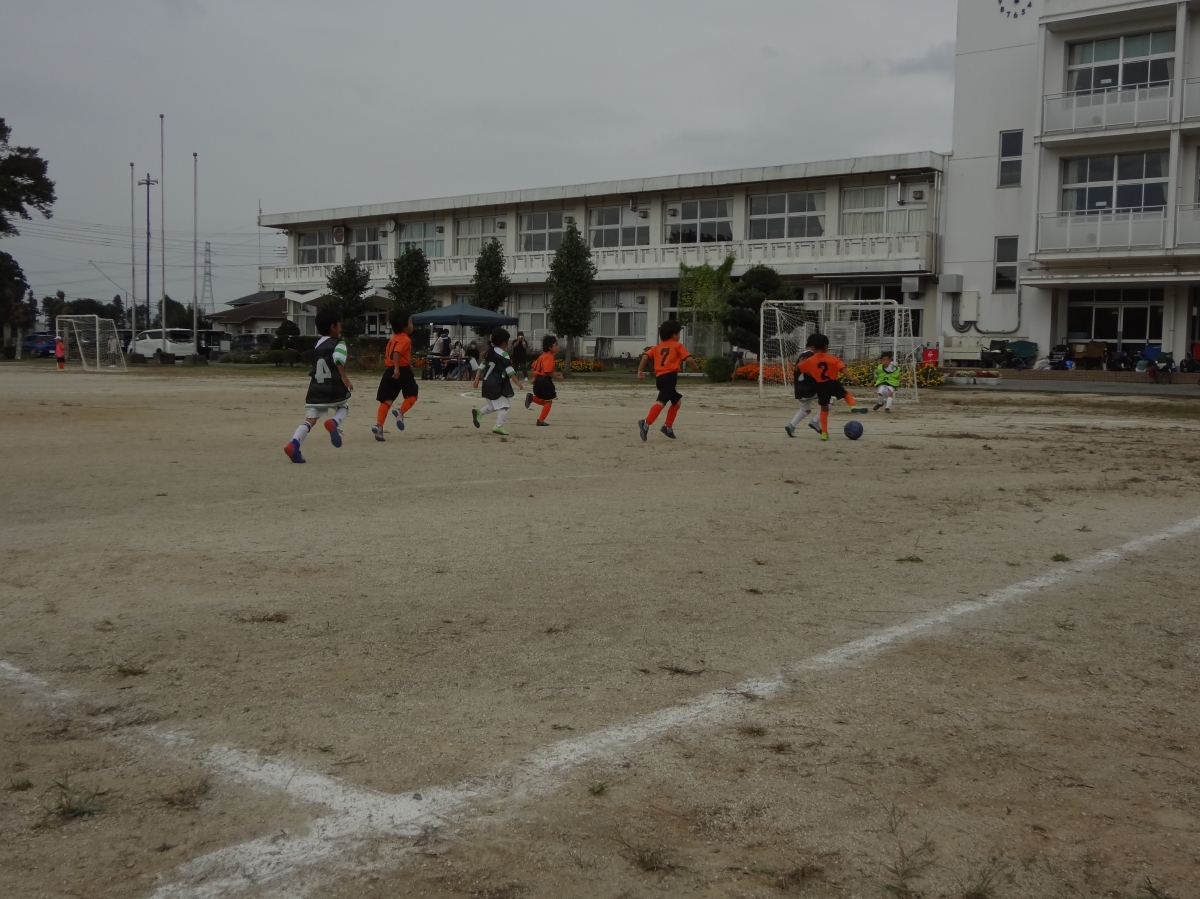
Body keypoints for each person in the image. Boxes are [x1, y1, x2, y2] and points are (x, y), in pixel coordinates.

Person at [284, 308, 353, 462]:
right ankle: (333, 422)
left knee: (310, 419)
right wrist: (344, 377)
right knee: (343, 407)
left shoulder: (318, 344)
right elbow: (338, 358)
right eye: (339, 325)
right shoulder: (339, 343)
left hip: (315, 389)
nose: (340, 328)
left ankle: (294, 444)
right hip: (333, 387)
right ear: (333, 327)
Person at [796, 332, 867, 441]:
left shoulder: (810, 360)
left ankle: (824, 434)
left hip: (820, 386)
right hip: (832, 382)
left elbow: (800, 369)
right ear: (826, 347)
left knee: (824, 410)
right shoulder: (832, 358)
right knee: (845, 394)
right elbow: (842, 369)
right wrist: (851, 378)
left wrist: (800, 364)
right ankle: (852, 405)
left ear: (814, 347)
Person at [637, 319, 700, 441]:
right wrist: (695, 367)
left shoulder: (657, 347)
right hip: (670, 377)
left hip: (660, 378)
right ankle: (646, 422)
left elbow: (645, 357)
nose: (679, 336)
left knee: (677, 402)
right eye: (679, 334)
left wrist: (640, 371)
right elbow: (688, 359)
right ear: (674, 335)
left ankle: (667, 426)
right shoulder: (677, 345)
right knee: (661, 402)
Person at [372, 311, 418, 441]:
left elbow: (394, 354)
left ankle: (379, 426)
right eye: (410, 322)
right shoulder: (405, 338)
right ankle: (400, 412)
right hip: (401, 371)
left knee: (386, 401)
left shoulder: (393, 339)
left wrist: (406, 363)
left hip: (389, 371)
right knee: (413, 394)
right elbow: (397, 353)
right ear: (404, 326)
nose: (412, 325)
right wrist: (398, 368)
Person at [472, 327, 524, 436]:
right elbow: (509, 370)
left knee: (494, 405)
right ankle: (498, 426)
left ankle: (479, 412)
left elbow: (481, 367)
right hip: (496, 384)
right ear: (504, 342)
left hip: (486, 383)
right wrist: (517, 382)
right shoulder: (504, 354)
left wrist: (476, 379)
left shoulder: (490, 352)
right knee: (504, 406)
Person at [785, 334, 824, 438]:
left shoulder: (802, 355)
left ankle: (791, 425)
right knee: (829, 402)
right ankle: (815, 421)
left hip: (800, 390)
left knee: (805, 409)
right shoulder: (812, 356)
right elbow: (808, 370)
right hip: (809, 388)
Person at [524, 333, 564, 426]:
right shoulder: (550, 357)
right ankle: (540, 420)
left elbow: (533, 368)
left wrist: (535, 378)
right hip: (545, 381)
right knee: (549, 401)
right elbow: (548, 372)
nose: (557, 347)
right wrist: (558, 377)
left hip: (538, 381)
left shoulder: (542, 356)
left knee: (545, 401)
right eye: (556, 345)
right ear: (550, 347)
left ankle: (532, 398)